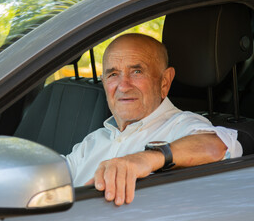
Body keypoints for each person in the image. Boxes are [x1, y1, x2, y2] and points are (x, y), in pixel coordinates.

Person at [65, 33, 242, 206]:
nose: (123, 86)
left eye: (136, 71)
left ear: (164, 82)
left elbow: (218, 146)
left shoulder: (180, 125)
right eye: (113, 74)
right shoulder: (94, 140)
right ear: (104, 82)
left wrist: (147, 159)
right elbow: (51, 174)